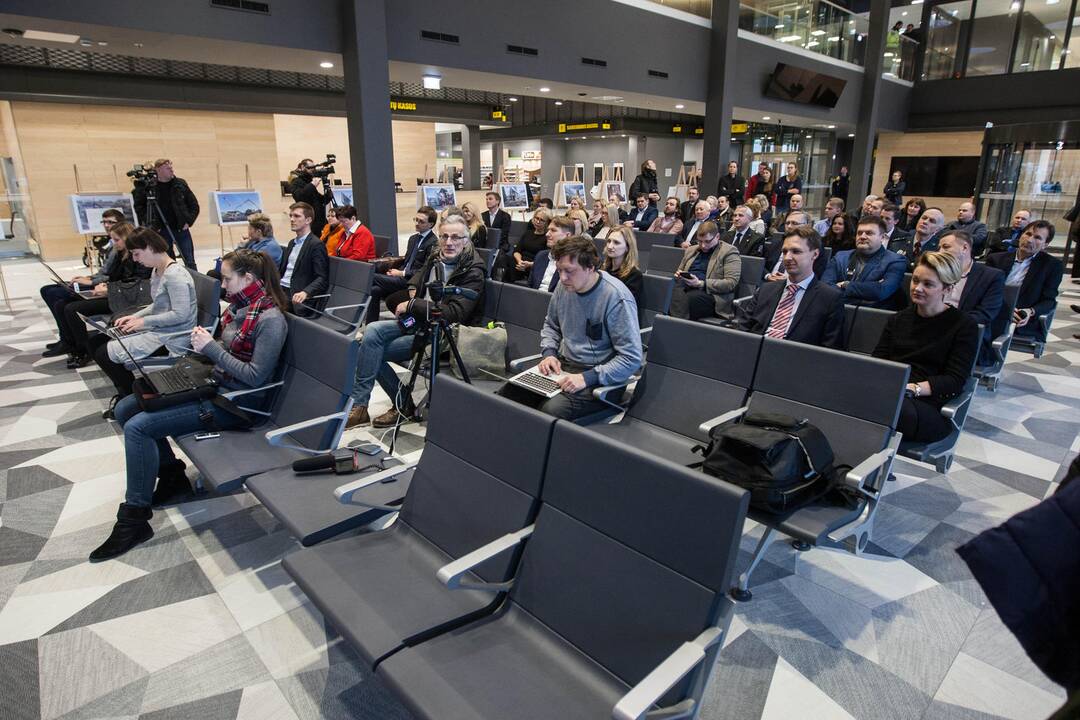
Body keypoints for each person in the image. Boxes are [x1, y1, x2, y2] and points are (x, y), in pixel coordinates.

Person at [88, 249, 289, 561]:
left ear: (248, 278)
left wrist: (211, 348)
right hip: (215, 385)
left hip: (237, 405)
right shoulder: (241, 309)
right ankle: (171, 477)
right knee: (127, 407)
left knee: (139, 427)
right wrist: (200, 354)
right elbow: (225, 355)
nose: (222, 286)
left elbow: (255, 378)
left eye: (227, 278)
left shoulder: (270, 319)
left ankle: (134, 519)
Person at [346, 216, 486, 429]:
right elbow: (417, 277)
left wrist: (413, 305)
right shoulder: (435, 256)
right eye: (445, 236)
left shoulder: (473, 271)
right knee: (371, 333)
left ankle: (402, 405)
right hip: (418, 323)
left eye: (456, 237)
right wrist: (413, 291)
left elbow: (454, 313)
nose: (449, 242)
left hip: (443, 332)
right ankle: (361, 406)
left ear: (466, 241)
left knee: (368, 350)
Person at [499, 235, 642, 421]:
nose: (562, 277)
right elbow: (551, 324)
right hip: (563, 368)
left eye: (569, 271)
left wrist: (587, 378)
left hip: (600, 379)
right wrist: (549, 353)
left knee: (549, 411)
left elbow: (631, 359)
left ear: (590, 267)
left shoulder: (616, 297)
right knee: (507, 395)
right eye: (559, 270)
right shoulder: (563, 286)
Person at [88, 228, 197, 418]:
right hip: (160, 330)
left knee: (104, 353)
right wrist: (137, 316)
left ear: (149, 247)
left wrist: (143, 322)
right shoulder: (158, 270)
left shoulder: (175, 276)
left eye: (137, 254)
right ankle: (128, 395)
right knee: (96, 342)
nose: (136, 259)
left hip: (173, 337)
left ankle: (129, 398)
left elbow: (180, 315)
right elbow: (158, 304)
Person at [872, 251, 979, 443]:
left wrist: (912, 388)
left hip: (928, 405)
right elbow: (878, 361)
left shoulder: (963, 325)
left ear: (947, 289)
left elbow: (954, 380)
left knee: (884, 408)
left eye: (928, 284)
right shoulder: (898, 319)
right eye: (915, 280)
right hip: (890, 394)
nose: (917, 288)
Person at [57, 221, 153, 369]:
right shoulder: (121, 254)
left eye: (116, 239)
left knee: (72, 309)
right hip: (115, 292)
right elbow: (111, 275)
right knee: (62, 303)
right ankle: (72, 344)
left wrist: (108, 288)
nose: (114, 243)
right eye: (112, 239)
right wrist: (101, 284)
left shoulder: (137, 258)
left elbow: (137, 284)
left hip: (123, 297)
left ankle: (83, 350)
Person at [41, 209, 126, 361]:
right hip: (108, 288)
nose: (106, 225)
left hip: (112, 291)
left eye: (110, 222)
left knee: (63, 301)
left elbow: (116, 277)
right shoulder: (115, 246)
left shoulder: (123, 249)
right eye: (104, 222)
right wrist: (90, 279)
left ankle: (79, 347)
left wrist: (94, 283)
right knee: (53, 295)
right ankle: (69, 340)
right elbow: (109, 273)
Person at [738, 227, 844, 348]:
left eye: (796, 251)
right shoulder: (765, 290)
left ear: (815, 254)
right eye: (784, 251)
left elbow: (830, 349)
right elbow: (743, 328)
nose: (787, 258)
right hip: (754, 352)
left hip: (795, 360)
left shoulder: (830, 299)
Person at [985, 220, 1064, 343]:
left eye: (1037, 238)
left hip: (1020, 319)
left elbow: (1049, 300)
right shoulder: (996, 259)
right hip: (992, 310)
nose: (1030, 240)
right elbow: (984, 290)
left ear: (1045, 245)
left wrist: (1030, 311)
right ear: (1021, 235)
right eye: (1028, 234)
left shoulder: (1052, 266)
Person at [938, 230, 1005, 364]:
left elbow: (985, 314)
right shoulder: (936, 271)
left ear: (964, 248)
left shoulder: (991, 276)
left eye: (946, 247)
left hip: (965, 333)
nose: (940, 252)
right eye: (938, 248)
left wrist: (947, 321)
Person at [366, 207, 438, 323]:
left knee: (371, 276)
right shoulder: (413, 239)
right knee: (375, 290)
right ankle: (370, 324)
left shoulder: (433, 243)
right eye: (416, 219)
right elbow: (407, 262)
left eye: (421, 221)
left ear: (430, 224)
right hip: (401, 277)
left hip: (412, 281)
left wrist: (402, 273)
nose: (417, 224)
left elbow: (425, 270)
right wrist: (396, 271)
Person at [822, 216, 907, 309]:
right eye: (859, 233)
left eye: (869, 233)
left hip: (872, 317)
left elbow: (881, 291)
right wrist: (869, 292)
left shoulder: (895, 261)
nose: (862, 236)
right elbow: (825, 288)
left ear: (882, 237)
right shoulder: (841, 257)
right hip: (836, 311)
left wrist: (846, 285)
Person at [132, 159, 200, 270]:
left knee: (189, 260)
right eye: (167, 168)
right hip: (161, 230)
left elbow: (194, 205)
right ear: (158, 169)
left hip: (181, 228)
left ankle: (194, 282)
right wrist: (153, 225)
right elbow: (139, 207)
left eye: (171, 167)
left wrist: (189, 221)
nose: (171, 170)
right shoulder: (150, 187)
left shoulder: (180, 184)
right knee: (167, 261)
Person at [671, 221, 741, 322]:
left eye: (707, 241)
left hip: (712, 295)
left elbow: (731, 283)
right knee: (669, 290)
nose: (703, 245)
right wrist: (679, 274)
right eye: (700, 241)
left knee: (689, 298)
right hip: (686, 287)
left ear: (717, 237)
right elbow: (680, 270)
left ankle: (674, 325)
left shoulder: (729, 252)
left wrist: (700, 283)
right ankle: (674, 325)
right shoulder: (691, 250)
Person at [278, 202, 329, 312]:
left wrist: (306, 292)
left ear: (308, 220)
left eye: (296, 216)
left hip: (295, 293)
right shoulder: (292, 243)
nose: (292, 219)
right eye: (291, 216)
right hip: (281, 289)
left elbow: (322, 278)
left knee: (265, 311)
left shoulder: (316, 245)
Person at [601, 226, 644, 312]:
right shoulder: (602, 269)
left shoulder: (634, 275)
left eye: (616, 243)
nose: (610, 246)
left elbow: (623, 306)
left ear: (627, 247)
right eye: (609, 241)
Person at [528, 216, 575, 292]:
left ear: (567, 236)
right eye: (548, 230)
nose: (547, 234)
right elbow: (529, 286)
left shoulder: (574, 262)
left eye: (553, 230)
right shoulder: (541, 256)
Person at [892, 206, 945, 271]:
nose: (925, 222)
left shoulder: (938, 250)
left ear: (938, 229)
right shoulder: (898, 242)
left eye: (932, 221)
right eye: (924, 218)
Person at [288, 158, 327, 237]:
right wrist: (312, 185)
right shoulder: (296, 181)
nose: (313, 170)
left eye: (314, 168)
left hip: (318, 222)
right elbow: (299, 196)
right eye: (310, 168)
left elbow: (319, 199)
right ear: (303, 167)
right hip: (308, 222)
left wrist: (327, 195)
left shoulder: (308, 182)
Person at [513, 207, 552, 281]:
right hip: (520, 262)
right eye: (536, 218)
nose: (537, 222)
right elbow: (517, 250)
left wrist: (529, 264)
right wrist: (519, 261)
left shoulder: (548, 237)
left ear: (547, 223)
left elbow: (545, 260)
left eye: (542, 220)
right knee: (506, 258)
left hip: (534, 265)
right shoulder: (528, 233)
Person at [482, 191, 513, 255]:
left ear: (497, 201)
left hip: (501, 245)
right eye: (486, 199)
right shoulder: (483, 215)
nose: (487, 201)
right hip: (485, 244)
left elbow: (504, 234)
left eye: (490, 199)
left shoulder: (505, 216)